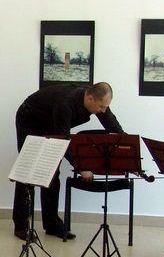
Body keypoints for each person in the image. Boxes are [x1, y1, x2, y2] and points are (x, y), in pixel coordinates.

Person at [12, 82, 124, 240]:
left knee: (52, 173)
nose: (103, 111)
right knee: (28, 172)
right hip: (30, 121)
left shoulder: (97, 98)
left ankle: (51, 224)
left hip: (53, 121)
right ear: (90, 98)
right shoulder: (65, 103)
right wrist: (81, 167)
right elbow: (63, 141)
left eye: (106, 107)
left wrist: (125, 147)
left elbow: (112, 124)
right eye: (101, 107)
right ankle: (21, 226)